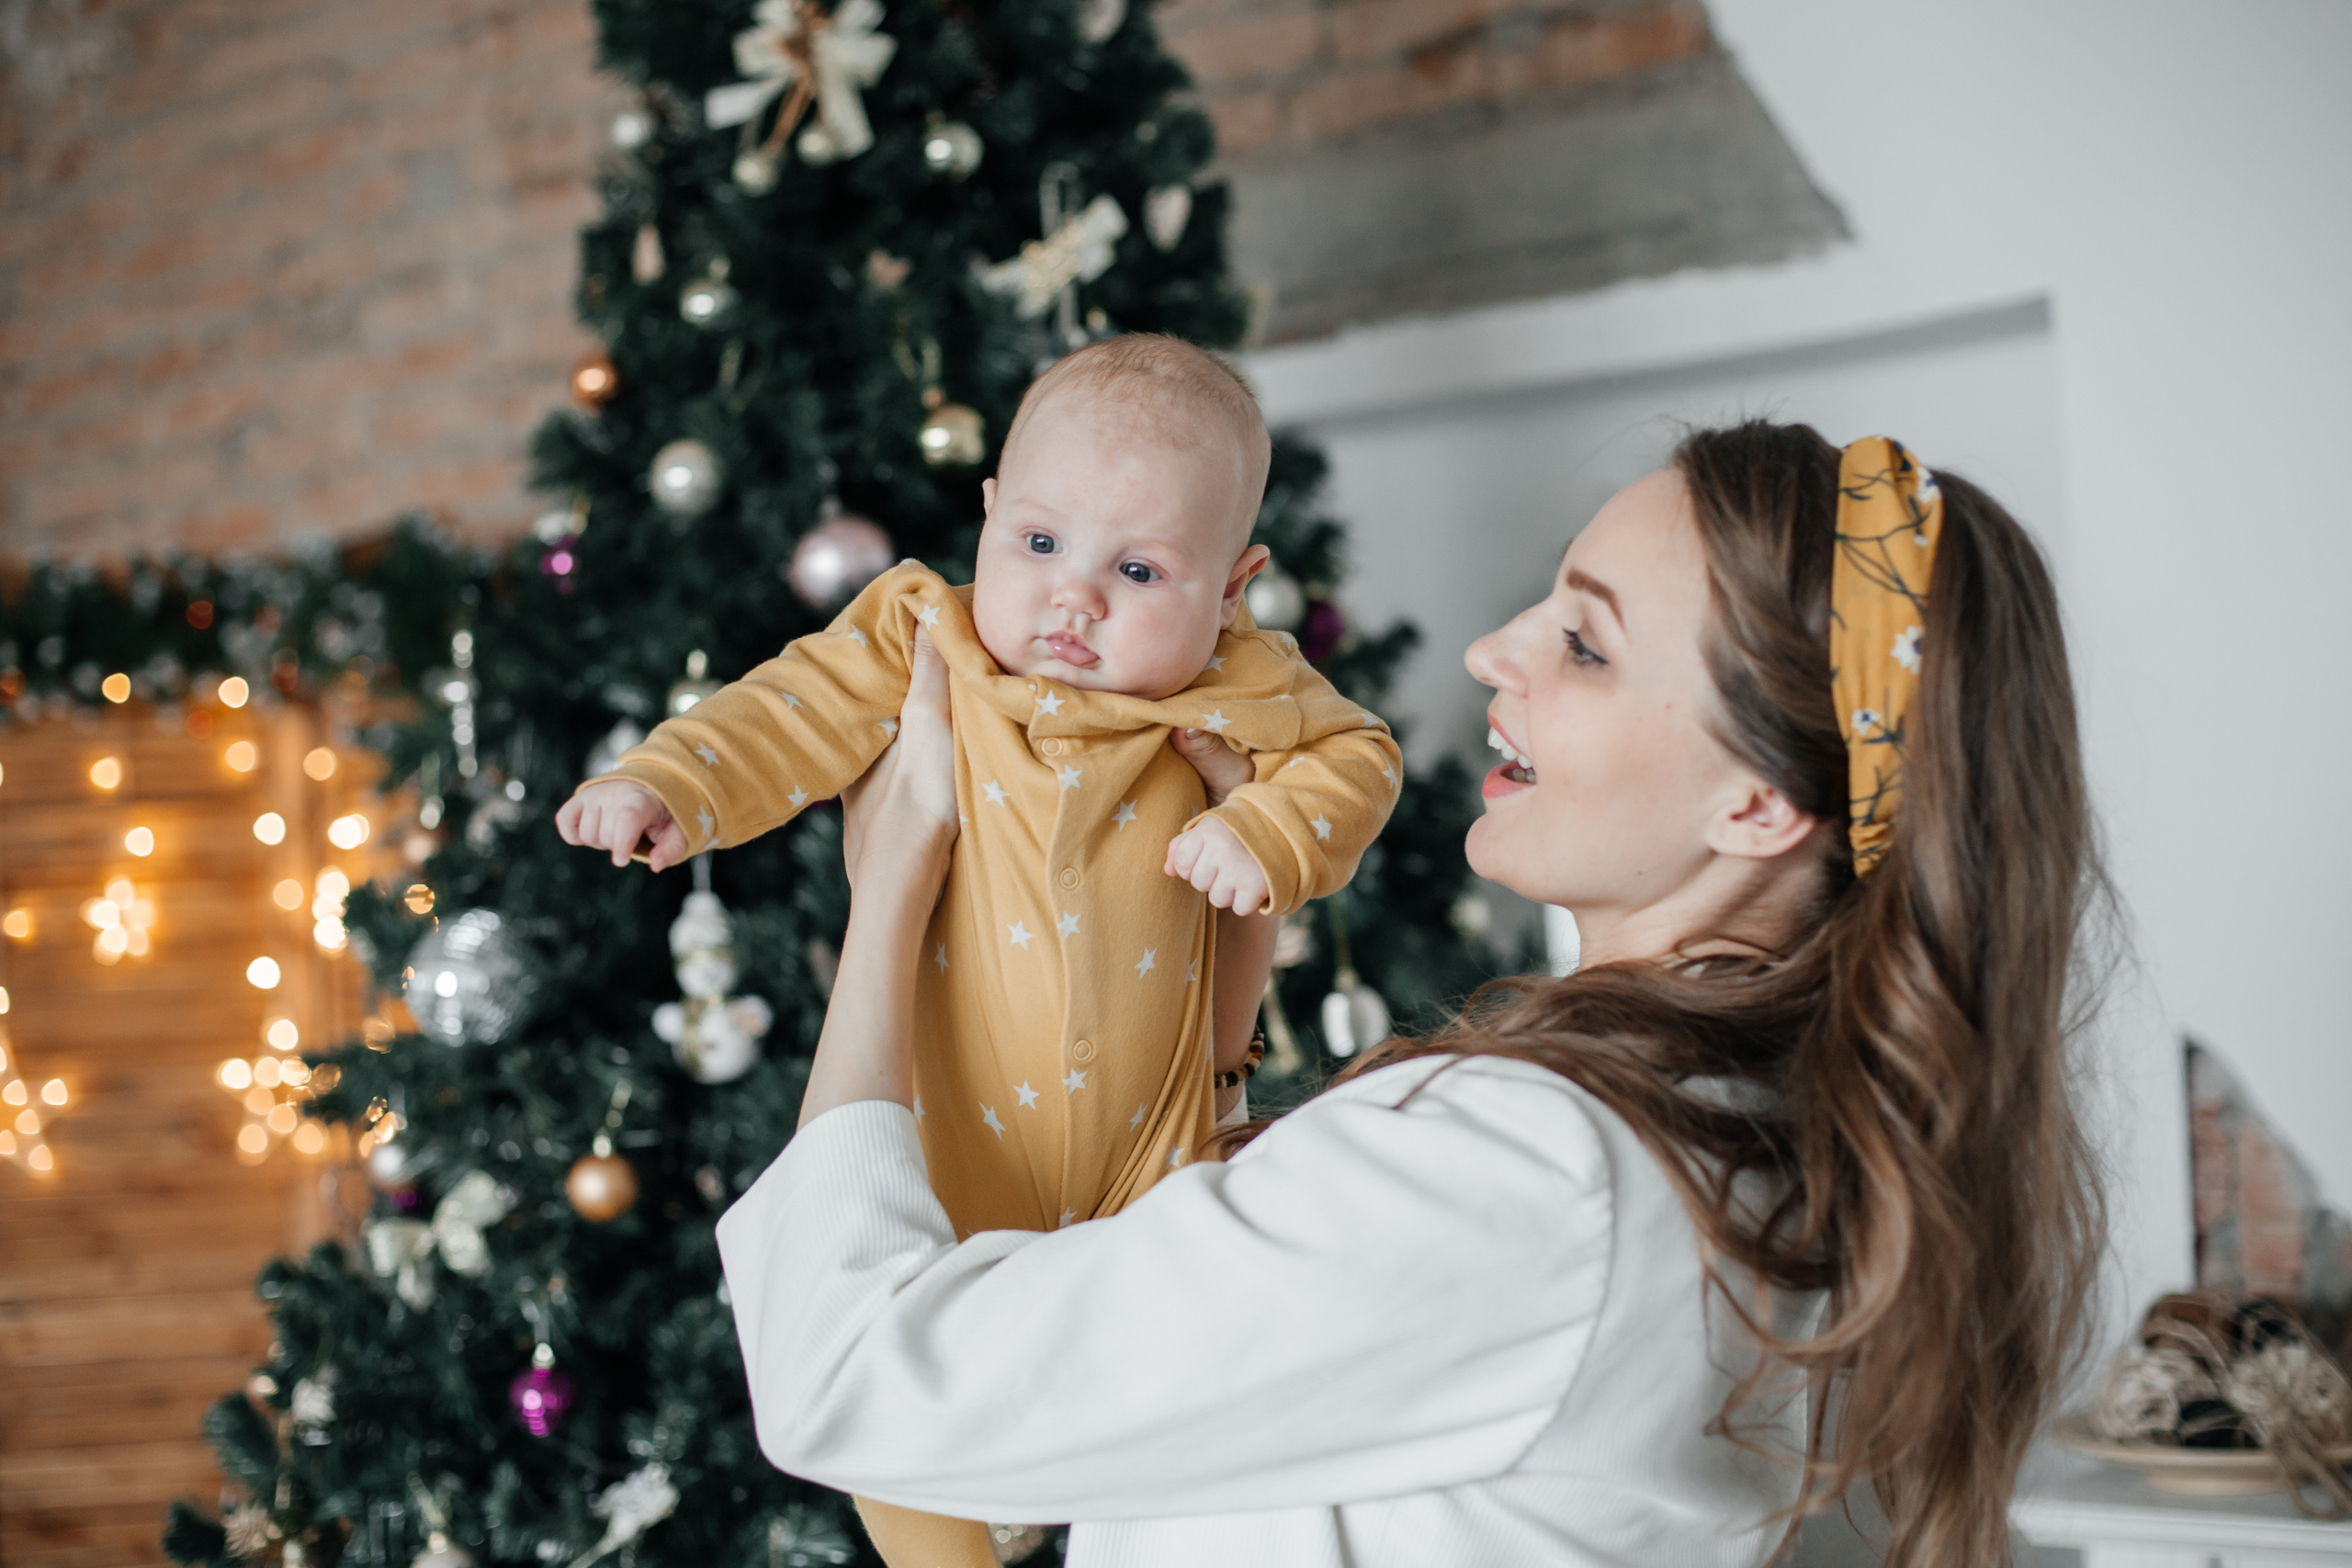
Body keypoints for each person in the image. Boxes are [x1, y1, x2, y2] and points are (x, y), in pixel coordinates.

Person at [715, 421, 2105, 1567]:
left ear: (1758, 803)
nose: (1494, 652)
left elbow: (858, 1373)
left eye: (1587, 644)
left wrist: (894, 889)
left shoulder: (1534, 1171)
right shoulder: (1762, 1134)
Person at [559, 334, 1403, 1568]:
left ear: (1233, 587)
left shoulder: (1241, 683)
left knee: (1174, 1394)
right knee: (902, 1415)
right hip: (953, 1153)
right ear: (990, 512)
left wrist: (1268, 832)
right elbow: (781, 712)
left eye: (1140, 569)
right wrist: (668, 782)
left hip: (1154, 1160)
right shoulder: (923, 636)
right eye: (1042, 544)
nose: (1076, 599)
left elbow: (1360, 758)